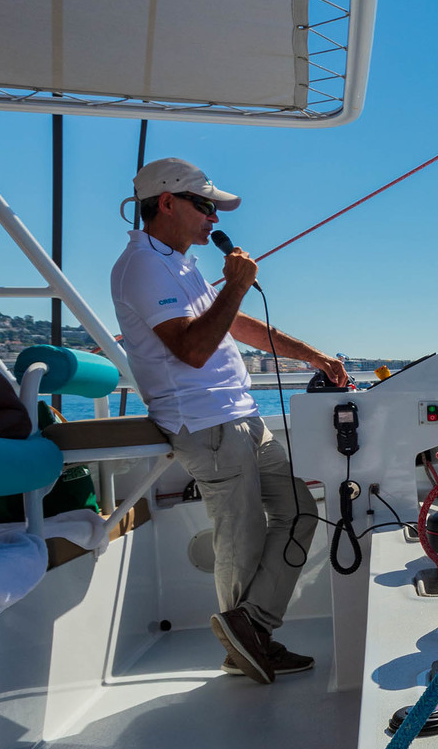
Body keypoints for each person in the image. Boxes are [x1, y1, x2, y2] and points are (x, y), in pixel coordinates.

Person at [111, 158, 348, 687]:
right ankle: (246, 645)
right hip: (205, 423)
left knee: (299, 511)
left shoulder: (178, 263)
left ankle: (251, 628)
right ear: (166, 202)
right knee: (242, 535)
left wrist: (312, 355)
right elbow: (193, 349)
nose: (214, 218)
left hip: (241, 417)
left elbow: (235, 325)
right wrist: (236, 285)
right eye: (205, 205)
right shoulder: (142, 266)